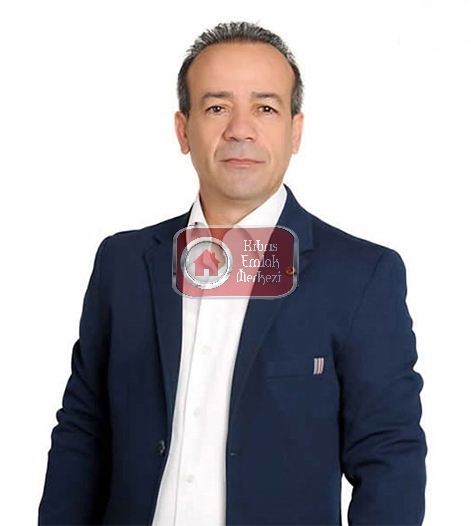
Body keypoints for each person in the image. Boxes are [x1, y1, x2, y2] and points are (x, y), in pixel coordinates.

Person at [38, 21, 427, 526]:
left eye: (265, 108)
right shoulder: (123, 263)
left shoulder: (361, 277)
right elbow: (83, 432)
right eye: (217, 107)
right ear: (183, 130)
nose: (240, 129)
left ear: (295, 131)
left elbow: (389, 456)